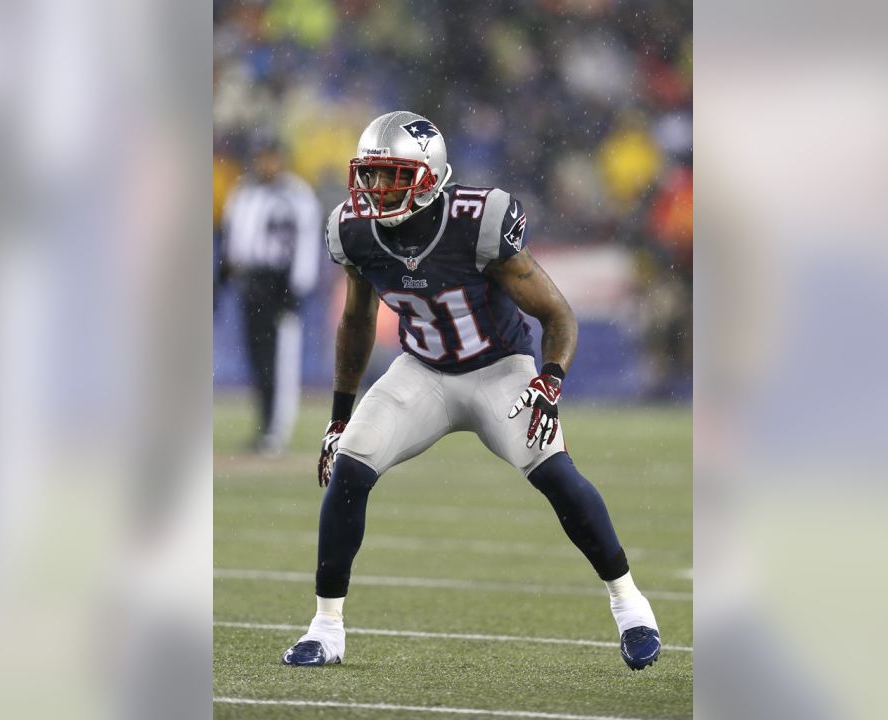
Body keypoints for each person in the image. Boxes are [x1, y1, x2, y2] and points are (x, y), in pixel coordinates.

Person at [280, 111, 661, 670]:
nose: (376, 190)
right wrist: (339, 416)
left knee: (554, 470)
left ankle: (630, 604)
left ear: (430, 176)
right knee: (351, 465)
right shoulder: (353, 229)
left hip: (498, 370)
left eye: (392, 176)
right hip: (423, 371)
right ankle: (326, 628)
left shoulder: (477, 221)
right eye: (370, 175)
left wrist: (549, 380)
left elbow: (558, 314)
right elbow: (356, 322)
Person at [221, 135, 321, 455]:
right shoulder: (244, 191)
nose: (266, 163)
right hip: (251, 283)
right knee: (257, 358)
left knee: (280, 360)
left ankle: (276, 431)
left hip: (280, 285)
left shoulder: (297, 195)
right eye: (262, 156)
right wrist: (223, 276)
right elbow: (233, 239)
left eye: (271, 156)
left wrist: (296, 289)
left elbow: (306, 245)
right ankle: (264, 426)